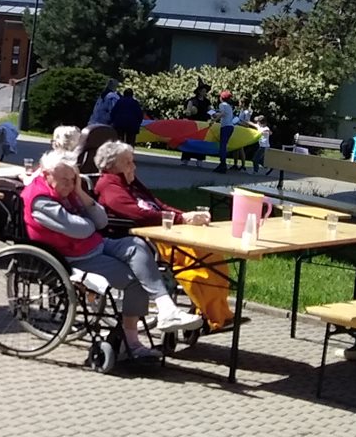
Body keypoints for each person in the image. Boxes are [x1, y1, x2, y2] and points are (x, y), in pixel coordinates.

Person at [23, 151, 195, 363]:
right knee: (134, 281)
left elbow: (101, 221)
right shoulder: (41, 200)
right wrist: (89, 223)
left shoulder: (69, 191)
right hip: (75, 256)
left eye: (72, 179)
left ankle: (166, 308)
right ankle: (132, 343)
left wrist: (80, 192)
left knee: (136, 244)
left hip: (94, 244)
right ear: (46, 174)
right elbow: (82, 229)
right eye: (64, 180)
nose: (69, 185)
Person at [89, 141, 231, 330]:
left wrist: (186, 216)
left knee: (211, 254)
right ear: (111, 166)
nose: (133, 166)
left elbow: (158, 205)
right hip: (142, 238)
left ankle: (221, 313)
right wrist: (181, 219)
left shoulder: (130, 182)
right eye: (128, 162)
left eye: (132, 161)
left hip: (161, 232)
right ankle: (213, 318)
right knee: (196, 261)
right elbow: (137, 214)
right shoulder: (109, 185)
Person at [213, 90, 238, 175]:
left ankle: (223, 164)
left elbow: (222, 114)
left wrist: (214, 120)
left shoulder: (222, 104)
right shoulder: (229, 106)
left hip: (225, 127)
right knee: (224, 145)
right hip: (230, 126)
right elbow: (224, 114)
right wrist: (216, 114)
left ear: (221, 98)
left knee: (222, 146)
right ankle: (222, 163)